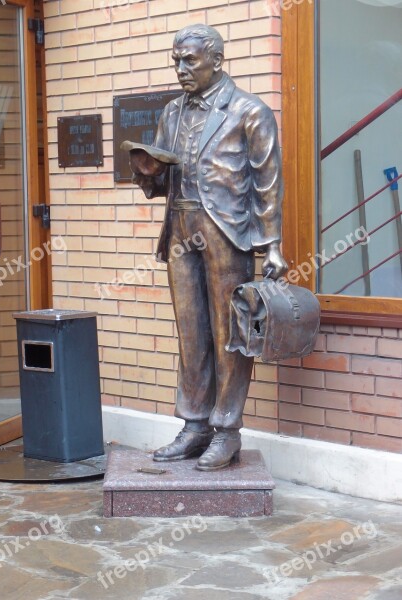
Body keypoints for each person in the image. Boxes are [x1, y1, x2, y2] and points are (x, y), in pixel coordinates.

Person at [131, 24, 287, 471]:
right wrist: (147, 170)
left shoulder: (249, 111)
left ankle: (226, 430)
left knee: (229, 334)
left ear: (217, 61)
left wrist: (271, 245)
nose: (181, 69)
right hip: (181, 229)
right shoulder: (171, 112)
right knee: (191, 331)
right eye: (176, 60)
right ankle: (194, 424)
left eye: (190, 61)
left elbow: (267, 184)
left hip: (228, 234)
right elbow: (161, 179)